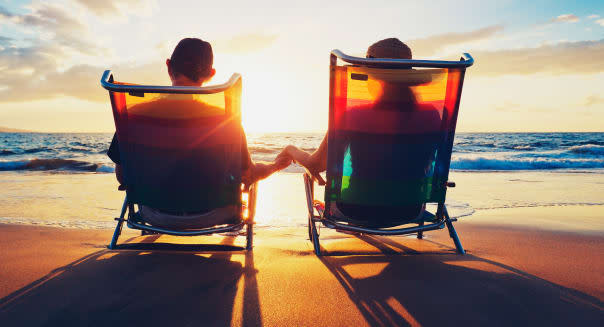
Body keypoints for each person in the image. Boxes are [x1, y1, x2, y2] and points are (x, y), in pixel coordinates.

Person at [107, 38, 291, 228]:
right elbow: (248, 175)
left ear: (169, 66)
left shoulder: (134, 116)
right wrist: (275, 166)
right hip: (214, 215)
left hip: (154, 215)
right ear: (211, 74)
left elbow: (122, 176)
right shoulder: (226, 120)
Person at [279, 38, 440, 226]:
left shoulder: (353, 115)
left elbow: (316, 165)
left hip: (355, 210)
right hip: (410, 210)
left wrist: (291, 150)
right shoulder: (432, 116)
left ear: (371, 76)